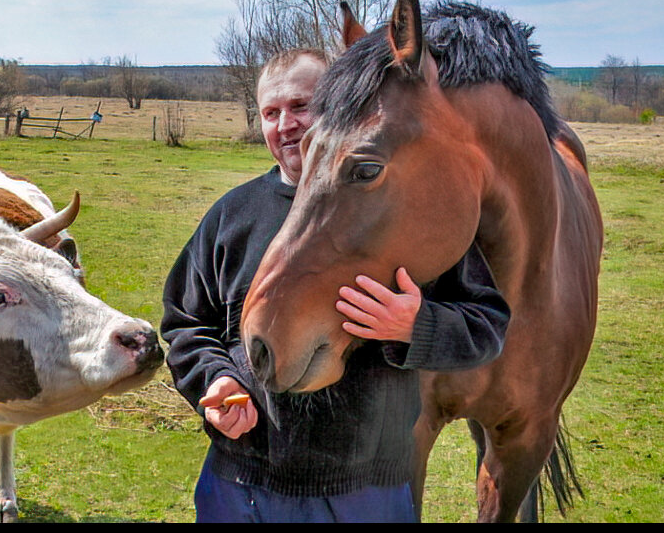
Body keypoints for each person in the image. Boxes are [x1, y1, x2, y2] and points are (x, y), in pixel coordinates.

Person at [160, 49, 510, 523]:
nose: (285, 124)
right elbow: (185, 321)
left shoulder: (404, 213)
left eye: (301, 106)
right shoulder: (231, 216)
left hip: (365, 492)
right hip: (240, 482)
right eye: (270, 112)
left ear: (339, 108)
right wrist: (216, 379)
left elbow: (487, 325)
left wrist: (416, 325)